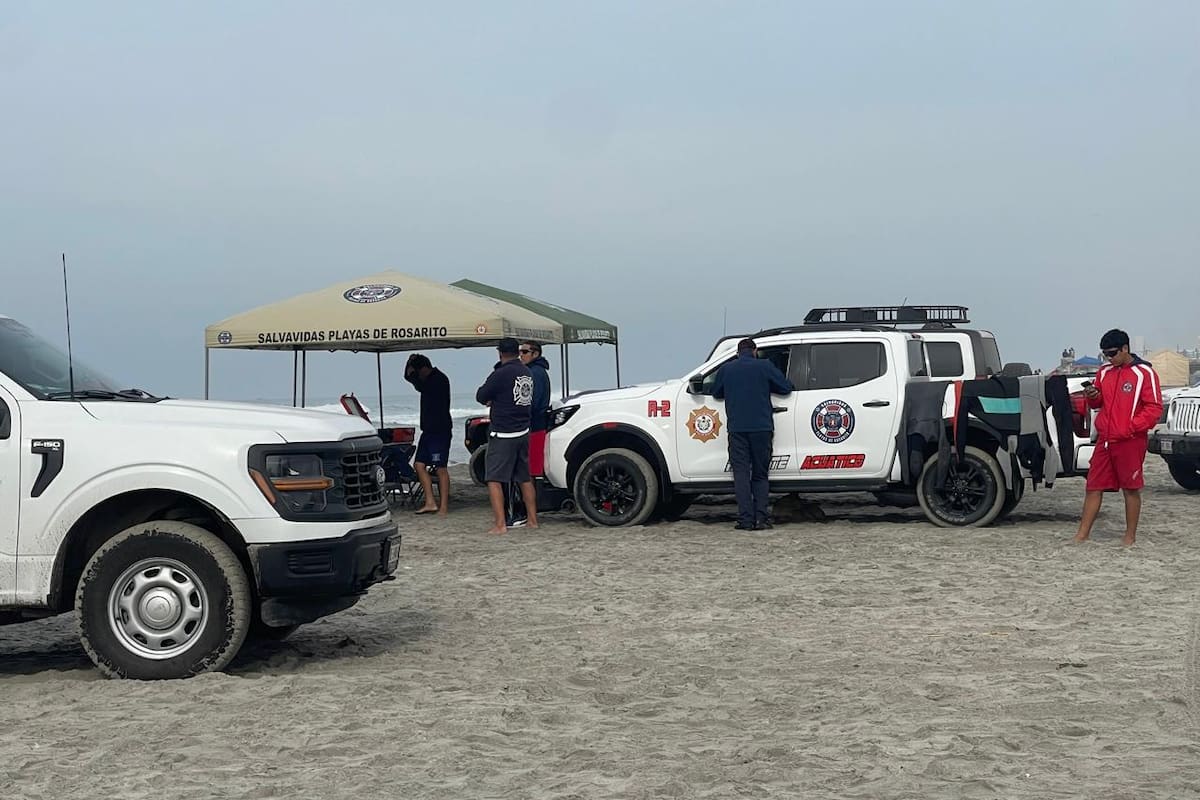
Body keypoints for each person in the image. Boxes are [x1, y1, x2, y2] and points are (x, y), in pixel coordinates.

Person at [1073, 329, 1162, 546]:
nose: (1109, 358)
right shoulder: (1104, 372)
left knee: (1131, 488)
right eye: (1105, 355)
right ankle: (1081, 535)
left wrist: (1130, 427)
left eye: (1112, 353)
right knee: (1093, 486)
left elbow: (1154, 408)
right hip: (1105, 438)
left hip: (1130, 440)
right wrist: (1093, 397)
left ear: (1125, 348)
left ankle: (1129, 537)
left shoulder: (1144, 373)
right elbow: (1097, 403)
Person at [711, 338, 795, 531]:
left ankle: (745, 520)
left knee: (741, 475)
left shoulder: (727, 369)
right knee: (760, 475)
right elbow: (785, 387)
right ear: (755, 351)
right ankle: (761, 519)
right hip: (762, 428)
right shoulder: (764, 366)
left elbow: (715, 392)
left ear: (738, 352)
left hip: (737, 429)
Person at [476, 338, 539, 534]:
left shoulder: (500, 374)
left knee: (494, 478)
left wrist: (493, 399)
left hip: (503, 432)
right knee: (524, 477)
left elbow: (481, 395)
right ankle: (532, 520)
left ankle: (500, 524)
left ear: (500, 353)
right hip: (523, 430)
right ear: (518, 352)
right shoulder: (526, 372)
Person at [404, 353, 452, 516]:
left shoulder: (438, 380)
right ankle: (430, 502)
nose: (417, 376)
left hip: (440, 430)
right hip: (428, 430)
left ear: (424, 368)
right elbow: (409, 377)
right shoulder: (426, 380)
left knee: (440, 467)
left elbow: (415, 382)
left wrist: (411, 371)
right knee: (419, 465)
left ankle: (444, 506)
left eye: (418, 372)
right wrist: (409, 363)